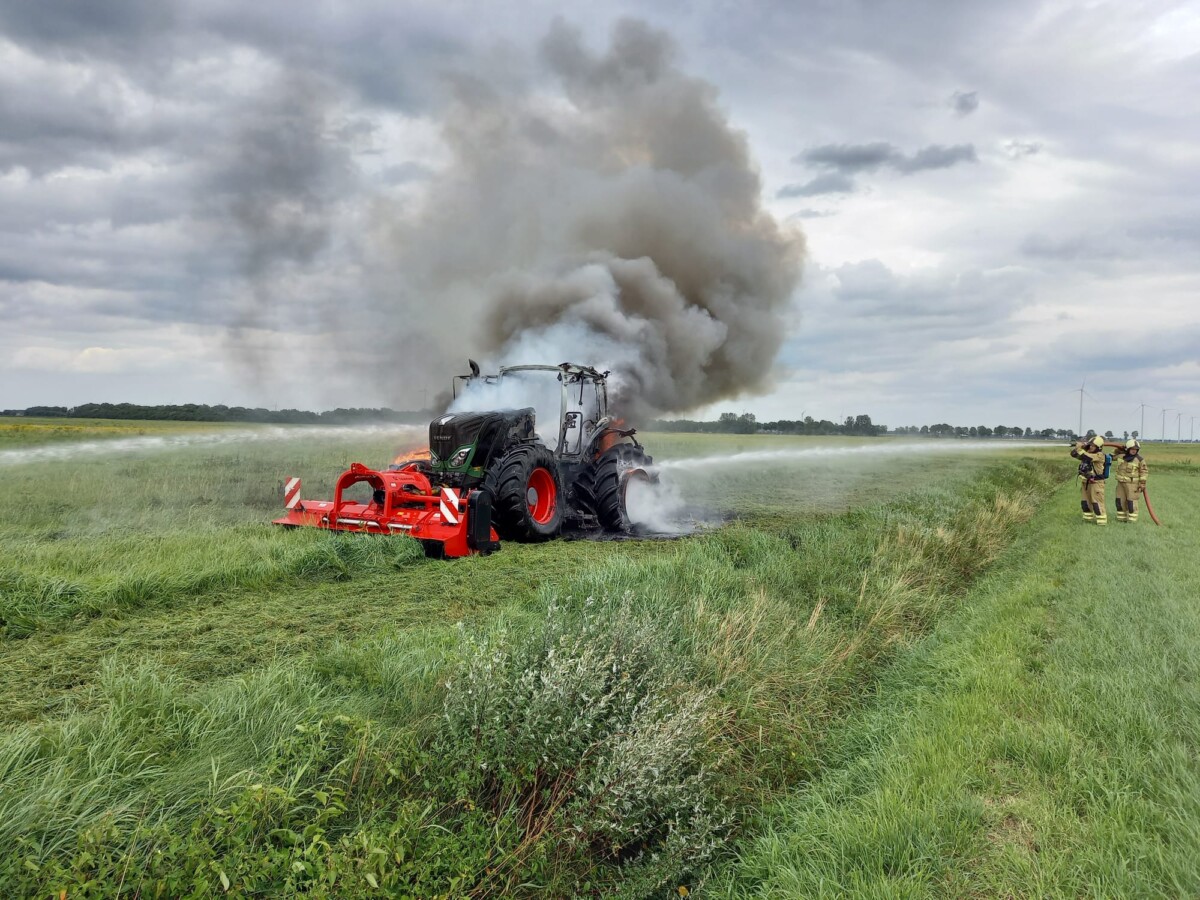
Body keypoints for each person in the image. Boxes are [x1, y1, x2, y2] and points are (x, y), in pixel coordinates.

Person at [1070, 433, 1108, 525]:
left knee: (1097, 503)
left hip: (1096, 483)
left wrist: (1081, 448)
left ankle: (1101, 522)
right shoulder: (1088, 453)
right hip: (1086, 481)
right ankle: (1087, 521)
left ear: (1098, 447)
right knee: (1085, 502)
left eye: (1093, 446)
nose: (1090, 447)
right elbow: (1074, 454)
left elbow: (1086, 457)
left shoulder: (1099, 455)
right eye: (1090, 445)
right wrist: (1078, 448)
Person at [1114, 438, 1149, 523]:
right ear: (1128, 449)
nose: (1134, 451)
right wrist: (1117, 450)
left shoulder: (1140, 460)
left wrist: (1142, 483)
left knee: (1131, 502)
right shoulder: (1121, 456)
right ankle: (1121, 519)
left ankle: (1132, 520)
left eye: (1136, 450)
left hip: (1132, 484)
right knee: (1120, 501)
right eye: (1132, 449)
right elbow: (1110, 457)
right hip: (1121, 484)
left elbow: (1144, 471)